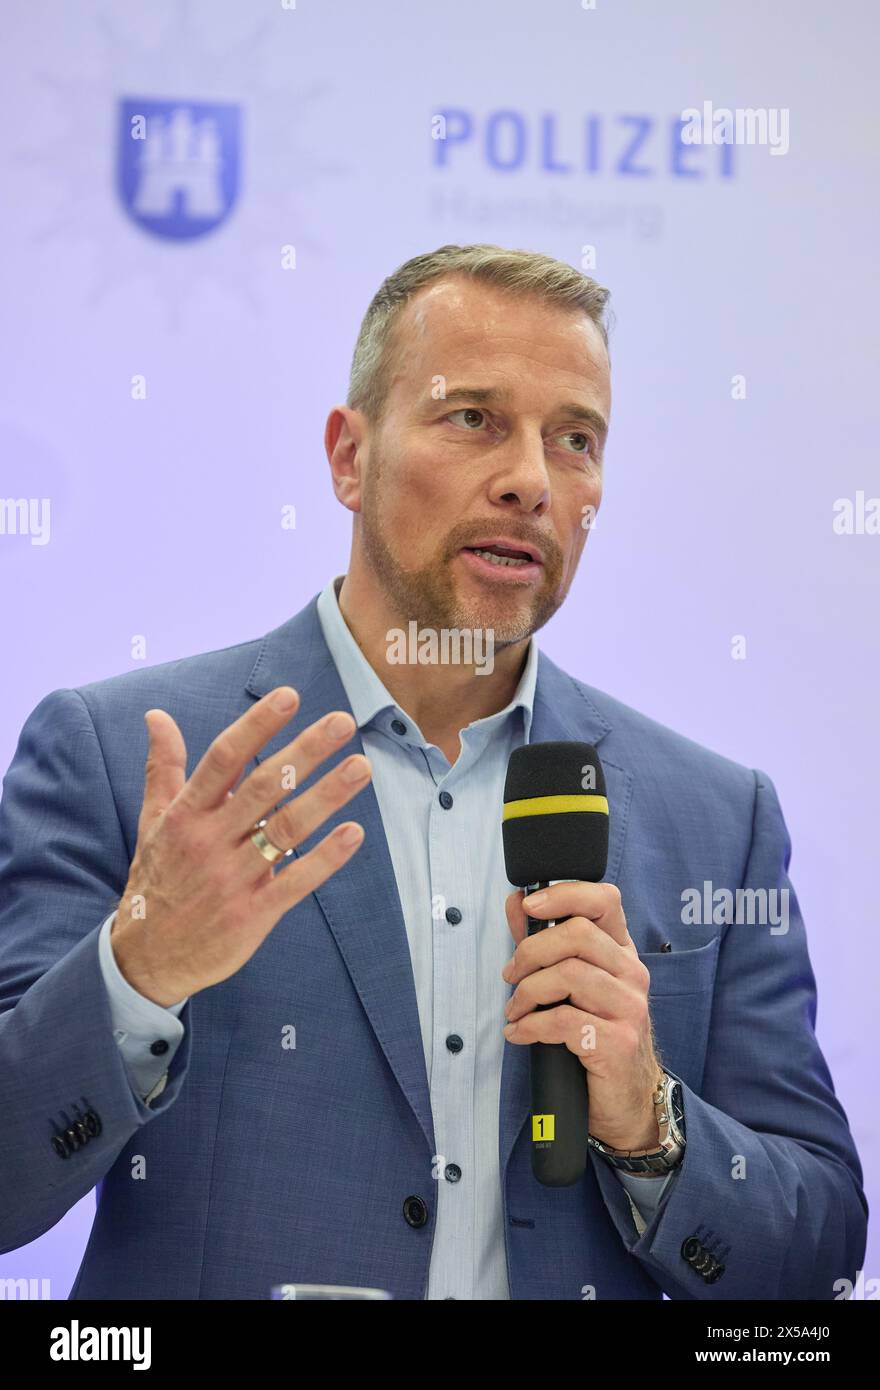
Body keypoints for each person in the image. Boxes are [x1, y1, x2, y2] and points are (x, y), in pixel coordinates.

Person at [0, 245, 866, 1300]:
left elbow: (817, 1255)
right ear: (348, 456)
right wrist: (138, 976)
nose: (531, 481)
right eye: (474, 420)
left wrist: (649, 1123)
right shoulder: (123, 757)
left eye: (575, 439)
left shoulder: (714, 818)